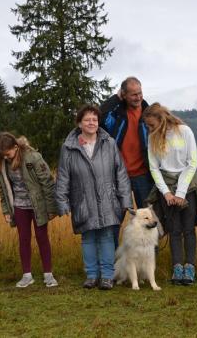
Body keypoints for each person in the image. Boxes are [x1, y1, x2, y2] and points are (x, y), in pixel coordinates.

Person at [55, 105, 132, 290]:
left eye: (95, 120)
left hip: (108, 198)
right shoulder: (68, 147)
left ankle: (107, 276)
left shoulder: (110, 143)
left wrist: (125, 199)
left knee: (106, 236)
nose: (92, 123)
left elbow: (120, 172)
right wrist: (62, 201)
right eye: (87, 120)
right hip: (82, 200)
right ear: (79, 123)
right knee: (88, 238)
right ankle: (91, 275)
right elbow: (63, 176)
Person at [0, 132, 59, 288]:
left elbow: (47, 182)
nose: (6, 157)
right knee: (23, 239)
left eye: (8, 153)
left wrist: (52, 208)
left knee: (42, 237)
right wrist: (6, 210)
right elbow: (3, 188)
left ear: (16, 147)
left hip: (38, 206)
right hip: (19, 206)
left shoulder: (33, 157)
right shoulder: (3, 164)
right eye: (2, 155)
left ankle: (48, 275)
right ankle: (27, 275)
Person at [142, 102, 197, 285]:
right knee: (174, 229)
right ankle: (177, 268)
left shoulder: (184, 131)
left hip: (188, 187)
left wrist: (181, 193)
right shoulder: (153, 138)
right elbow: (154, 168)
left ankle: (189, 267)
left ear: (161, 119)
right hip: (165, 189)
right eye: (148, 126)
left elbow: (192, 163)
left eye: (151, 125)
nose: (149, 129)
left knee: (188, 229)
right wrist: (167, 193)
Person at [100, 76, 152, 211]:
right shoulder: (117, 114)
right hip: (119, 175)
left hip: (143, 175)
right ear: (124, 95)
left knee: (148, 217)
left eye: (140, 93)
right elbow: (100, 116)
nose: (138, 97)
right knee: (116, 217)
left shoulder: (150, 114)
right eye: (134, 94)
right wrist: (116, 98)